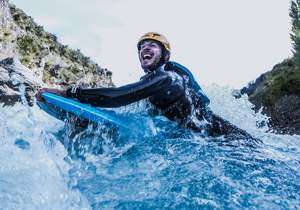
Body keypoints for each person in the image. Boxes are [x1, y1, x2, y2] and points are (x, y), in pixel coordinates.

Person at [37, 32, 256, 140]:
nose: (145, 49)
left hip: (228, 140)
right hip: (202, 139)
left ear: (165, 55)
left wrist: (69, 92)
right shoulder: (152, 83)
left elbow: (117, 97)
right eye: (141, 47)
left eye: (152, 45)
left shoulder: (168, 79)